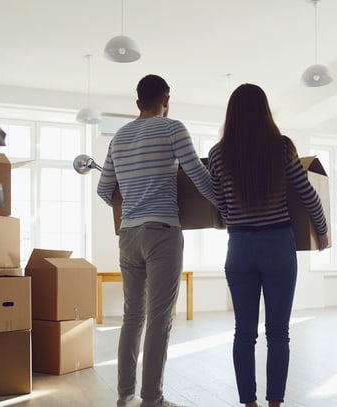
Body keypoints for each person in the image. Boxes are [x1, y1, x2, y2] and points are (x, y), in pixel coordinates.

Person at [97, 74, 217, 407]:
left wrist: (132, 200)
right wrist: (223, 207)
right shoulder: (172, 128)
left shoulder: (119, 136)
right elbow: (198, 175)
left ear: (138, 103)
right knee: (160, 318)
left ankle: (123, 397)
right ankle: (152, 399)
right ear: (167, 100)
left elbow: (104, 190)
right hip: (162, 232)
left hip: (128, 235)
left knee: (131, 317)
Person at [208, 83, 328, 407]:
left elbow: (219, 206)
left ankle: (249, 404)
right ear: (265, 111)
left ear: (231, 113)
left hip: (240, 248)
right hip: (278, 246)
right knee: (278, 333)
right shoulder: (282, 147)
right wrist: (323, 232)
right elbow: (308, 194)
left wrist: (229, 217)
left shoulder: (218, 154)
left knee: (243, 334)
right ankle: (275, 403)